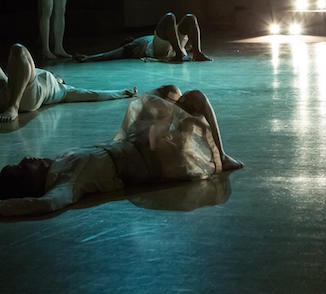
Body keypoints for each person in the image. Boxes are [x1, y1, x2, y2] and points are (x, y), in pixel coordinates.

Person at [0, 86, 243, 216]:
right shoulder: (64, 184)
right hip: (146, 160)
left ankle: (216, 151)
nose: (28, 158)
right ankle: (220, 156)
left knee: (169, 90)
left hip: (131, 142)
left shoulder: (59, 162)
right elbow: (48, 205)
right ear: (31, 179)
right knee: (196, 100)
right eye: (24, 165)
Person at [0, 43, 136, 123]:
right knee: (16, 54)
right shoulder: (49, 77)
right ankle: (11, 104)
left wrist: (121, 93)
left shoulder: (62, 90)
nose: (58, 76)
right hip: (8, 88)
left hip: (28, 98)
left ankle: (13, 106)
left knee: (19, 50)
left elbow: (90, 94)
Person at [73, 12, 211, 63]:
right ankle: (181, 54)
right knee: (170, 17)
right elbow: (114, 53)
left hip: (174, 46)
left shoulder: (144, 38)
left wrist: (191, 47)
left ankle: (197, 54)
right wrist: (89, 58)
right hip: (161, 49)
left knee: (189, 17)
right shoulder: (135, 44)